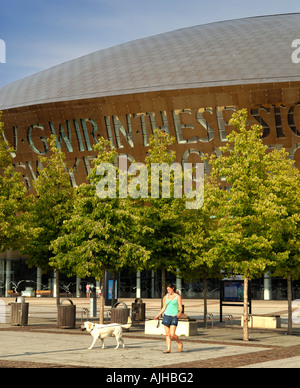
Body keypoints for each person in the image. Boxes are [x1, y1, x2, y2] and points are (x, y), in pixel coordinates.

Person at [154, 283, 183, 353]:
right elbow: (164, 307)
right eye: (167, 290)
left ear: (173, 288)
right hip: (166, 316)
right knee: (167, 334)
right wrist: (158, 315)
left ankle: (179, 343)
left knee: (172, 334)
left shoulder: (177, 296)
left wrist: (179, 312)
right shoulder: (165, 297)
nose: (168, 291)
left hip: (174, 316)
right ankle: (168, 349)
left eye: (169, 289)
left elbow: (180, 306)